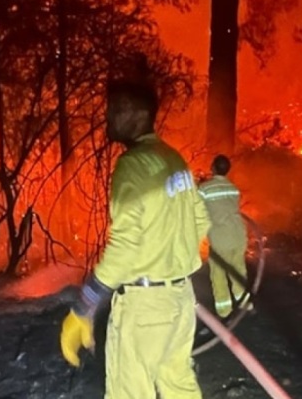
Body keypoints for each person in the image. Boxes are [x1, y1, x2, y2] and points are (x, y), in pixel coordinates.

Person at [60, 79, 209, 399]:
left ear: (140, 114)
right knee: (178, 384)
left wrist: (84, 306)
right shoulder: (174, 159)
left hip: (144, 309)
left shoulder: (131, 166)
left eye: (118, 109)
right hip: (180, 300)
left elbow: (125, 246)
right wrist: (170, 259)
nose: (109, 116)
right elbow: (201, 220)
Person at [199, 154, 250, 319]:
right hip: (239, 235)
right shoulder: (233, 188)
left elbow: (197, 209)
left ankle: (224, 311)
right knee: (238, 270)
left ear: (212, 168)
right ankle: (245, 305)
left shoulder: (205, 189)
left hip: (221, 239)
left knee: (218, 274)